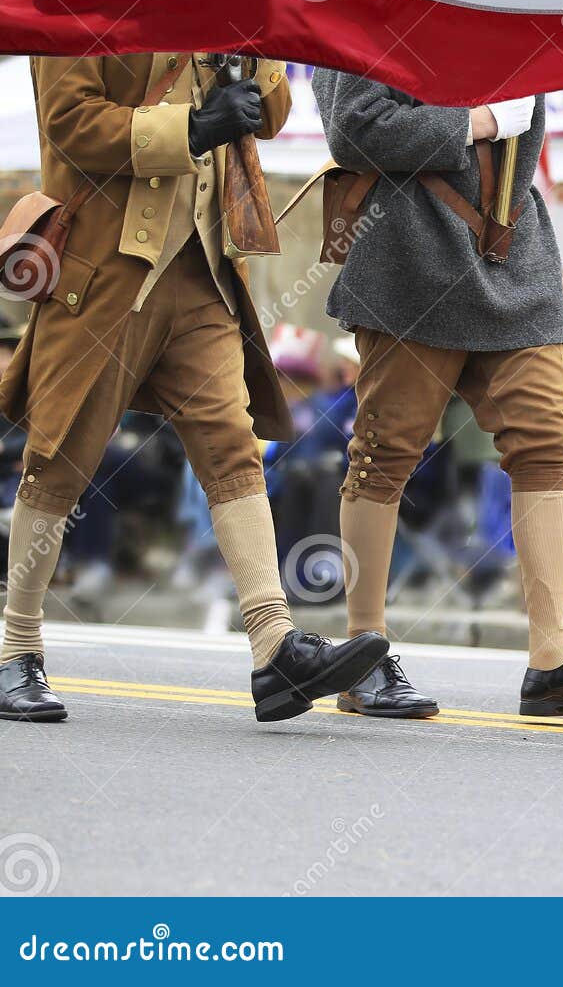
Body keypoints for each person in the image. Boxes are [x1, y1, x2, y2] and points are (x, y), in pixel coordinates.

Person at [0, 53, 386, 723]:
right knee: (60, 456)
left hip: (201, 266)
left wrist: (255, 50)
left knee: (233, 450)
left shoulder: (213, 8)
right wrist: (190, 128)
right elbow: (69, 123)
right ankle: (16, 647)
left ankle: (274, 649)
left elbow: (271, 115)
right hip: (105, 273)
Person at [312, 71, 563, 719]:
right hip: (409, 256)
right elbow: (356, 129)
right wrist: (476, 121)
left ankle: (552, 661)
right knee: (384, 452)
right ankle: (364, 653)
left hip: (511, 251)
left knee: (547, 442)